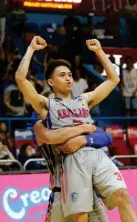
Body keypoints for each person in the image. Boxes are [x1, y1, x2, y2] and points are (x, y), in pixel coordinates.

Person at [16, 36, 137, 222]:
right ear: (50, 82)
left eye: (70, 75)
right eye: (62, 75)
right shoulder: (46, 105)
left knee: (123, 197)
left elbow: (113, 79)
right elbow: (20, 78)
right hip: (71, 162)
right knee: (80, 217)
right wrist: (31, 49)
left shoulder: (83, 100)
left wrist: (99, 52)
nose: (68, 78)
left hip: (96, 156)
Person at [32, 90, 111, 222]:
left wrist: (85, 138)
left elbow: (106, 137)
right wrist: (83, 129)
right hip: (61, 190)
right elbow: (51, 136)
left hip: (86, 188)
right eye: (55, 104)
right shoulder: (41, 125)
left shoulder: (75, 122)